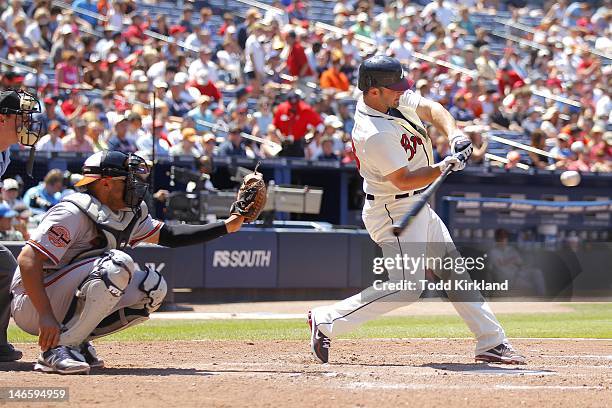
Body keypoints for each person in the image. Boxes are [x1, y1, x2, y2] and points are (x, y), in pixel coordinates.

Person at [308, 56, 525, 365]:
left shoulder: (388, 98)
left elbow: (430, 109)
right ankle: (326, 320)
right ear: (373, 91)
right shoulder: (373, 131)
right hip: (393, 208)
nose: (401, 91)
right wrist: (442, 167)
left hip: (415, 202)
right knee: (406, 288)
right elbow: (402, 179)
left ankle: (491, 342)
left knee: (453, 271)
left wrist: (455, 135)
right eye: (393, 88)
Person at [10, 150, 249, 374]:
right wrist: (45, 315)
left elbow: (170, 236)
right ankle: (56, 350)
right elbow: (28, 260)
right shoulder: (72, 212)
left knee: (153, 288)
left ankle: (75, 340)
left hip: (61, 296)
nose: (136, 185)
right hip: (32, 302)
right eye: (128, 179)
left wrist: (228, 225)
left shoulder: (125, 212)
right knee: (118, 265)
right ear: (105, 183)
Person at [0, 89, 43, 362]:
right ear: (2, 118)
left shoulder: (3, 153)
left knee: (4, 266)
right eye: (21, 117)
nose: (26, 124)